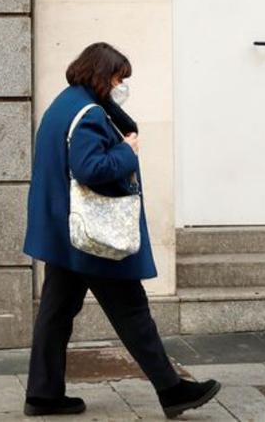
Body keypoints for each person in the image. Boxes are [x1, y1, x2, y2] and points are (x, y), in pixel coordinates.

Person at [23, 42, 221, 419]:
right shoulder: (89, 114)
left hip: (64, 232)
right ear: (101, 74)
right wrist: (128, 150)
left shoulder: (66, 103)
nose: (121, 84)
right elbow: (90, 168)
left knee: (56, 312)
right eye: (118, 77)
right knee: (131, 310)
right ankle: (172, 390)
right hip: (93, 237)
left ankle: (43, 394)